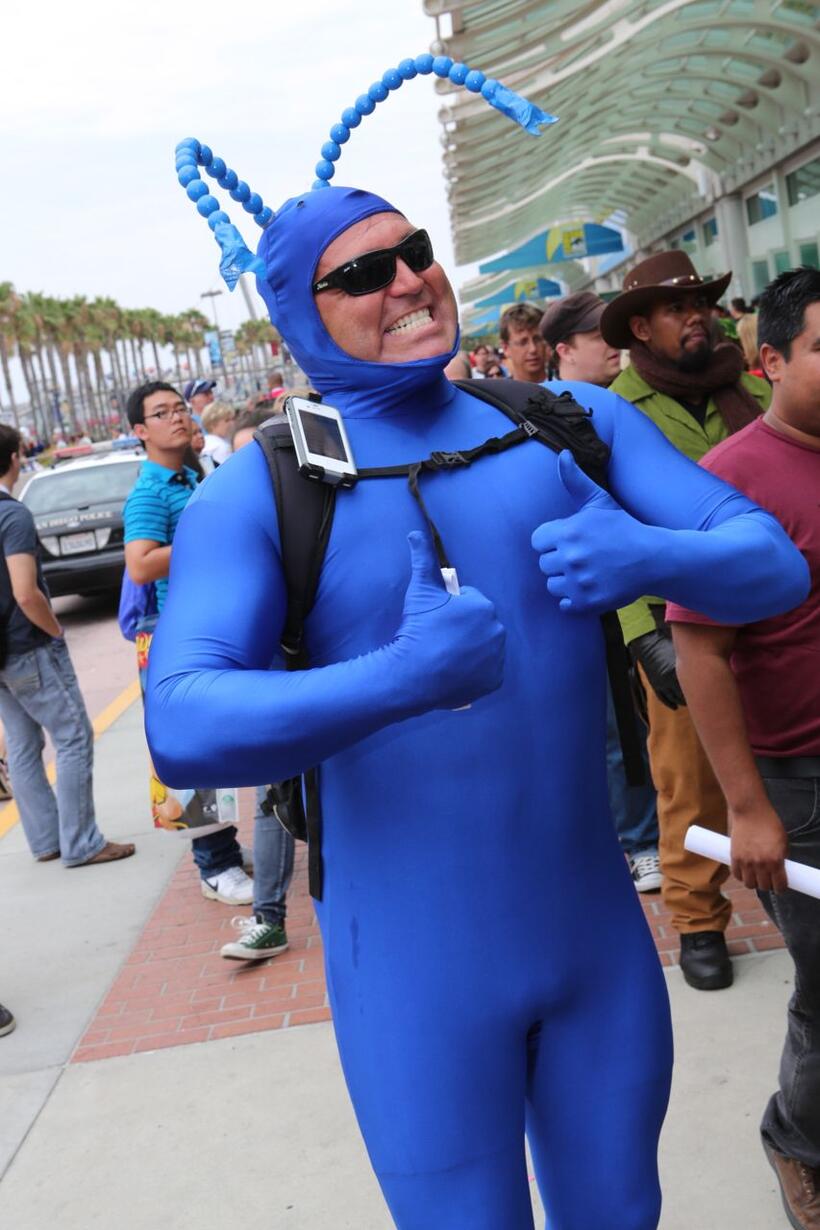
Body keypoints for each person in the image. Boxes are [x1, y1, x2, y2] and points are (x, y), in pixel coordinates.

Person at [148, 109, 808, 1225]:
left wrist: (646, 555)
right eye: (363, 273)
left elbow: (771, 566)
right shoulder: (262, 490)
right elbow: (181, 722)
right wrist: (403, 677)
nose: (408, 281)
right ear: (298, 312)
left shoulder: (566, 424)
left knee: (622, 1212)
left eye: (415, 252)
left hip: (594, 949)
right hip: (412, 982)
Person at [667, 267, 819, 1229]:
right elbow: (701, 654)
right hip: (798, 780)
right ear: (770, 362)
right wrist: (749, 807)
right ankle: (798, 1139)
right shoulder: (731, 482)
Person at [600, 251, 771, 991]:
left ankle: (788, 885)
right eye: (678, 307)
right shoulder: (614, 409)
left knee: (786, 760)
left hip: (770, 604)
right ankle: (698, 917)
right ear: (641, 327)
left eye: (701, 302)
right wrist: (643, 634)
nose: (697, 316)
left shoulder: (753, 389)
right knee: (688, 779)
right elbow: (605, 521)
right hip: (677, 620)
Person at [541, 293, 660, 891]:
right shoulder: (533, 420)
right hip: (579, 603)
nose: (614, 344)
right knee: (613, 730)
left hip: (643, 590)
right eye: (597, 335)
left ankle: (647, 836)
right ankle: (638, 842)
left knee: (636, 726)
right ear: (565, 349)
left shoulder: (627, 403)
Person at [123, 382, 253, 906]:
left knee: (217, 742)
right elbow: (140, 563)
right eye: (161, 413)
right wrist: (205, 541)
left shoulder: (193, 473)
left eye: (180, 408)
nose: (177, 417)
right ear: (140, 431)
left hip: (206, 622)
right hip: (175, 633)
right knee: (194, 747)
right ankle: (215, 866)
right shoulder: (150, 492)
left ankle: (225, 851)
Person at [0, 425, 134, 866]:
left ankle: (47, 841)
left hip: (2, 657)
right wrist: (54, 629)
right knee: (73, 736)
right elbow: (25, 592)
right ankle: (81, 843)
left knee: (22, 745)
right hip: (27, 646)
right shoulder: (12, 516)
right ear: (16, 458)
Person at [500, 302, 547, 382]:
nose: (533, 349)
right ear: (505, 348)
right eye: (523, 342)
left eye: (538, 340)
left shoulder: (565, 387)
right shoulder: (498, 390)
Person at [200, 400, 234, 466]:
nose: (232, 423)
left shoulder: (205, 442)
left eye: (232, 419)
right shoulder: (222, 448)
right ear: (213, 424)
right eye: (227, 420)